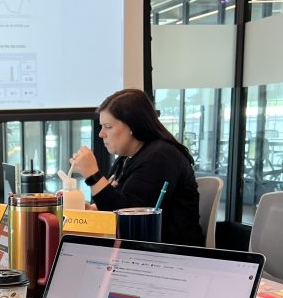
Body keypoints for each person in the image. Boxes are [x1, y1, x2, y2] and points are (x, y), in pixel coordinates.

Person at [69, 88, 205, 246]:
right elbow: (118, 204)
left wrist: (93, 175)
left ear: (132, 126)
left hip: (172, 255)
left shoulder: (160, 156)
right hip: (141, 251)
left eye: (108, 126)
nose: (101, 134)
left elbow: (129, 221)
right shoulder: (126, 158)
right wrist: (92, 209)